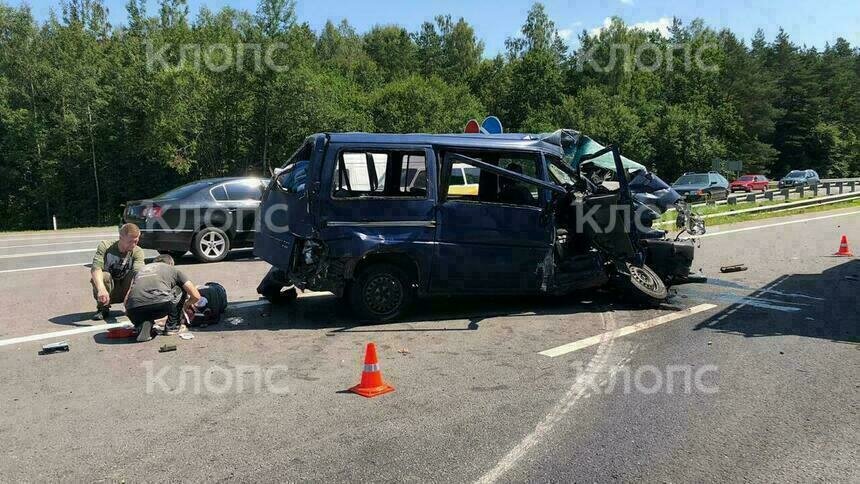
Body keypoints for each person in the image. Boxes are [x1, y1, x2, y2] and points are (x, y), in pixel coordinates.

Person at [124, 254, 202, 342]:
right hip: (160, 305)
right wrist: (186, 304)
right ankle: (172, 327)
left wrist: (130, 313)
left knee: (142, 301)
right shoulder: (172, 270)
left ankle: (142, 324)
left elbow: (126, 299)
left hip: (133, 310)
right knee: (180, 288)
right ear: (170, 263)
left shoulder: (141, 271)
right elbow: (196, 295)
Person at [91, 223, 145, 320]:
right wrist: (101, 289)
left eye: (136, 241)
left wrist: (130, 296)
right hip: (108, 290)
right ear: (120, 238)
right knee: (104, 275)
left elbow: (139, 274)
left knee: (137, 275)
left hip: (126, 290)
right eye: (130, 242)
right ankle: (103, 308)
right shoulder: (105, 246)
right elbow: (96, 268)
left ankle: (132, 307)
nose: (133, 245)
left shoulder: (137, 251)